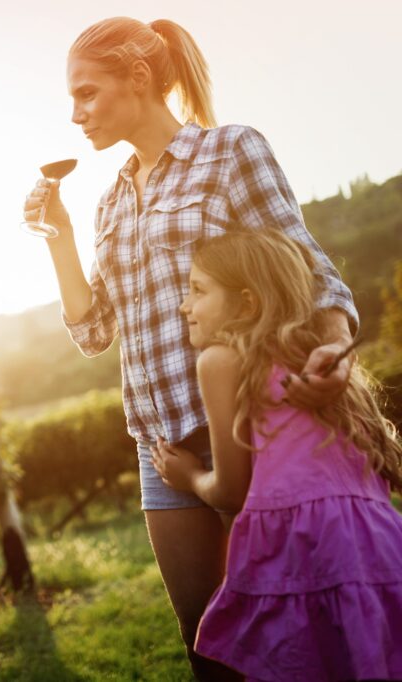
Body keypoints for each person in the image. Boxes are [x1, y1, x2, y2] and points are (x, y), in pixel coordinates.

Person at [21, 16, 359, 679]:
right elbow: (94, 332)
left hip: (255, 425)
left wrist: (337, 348)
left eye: (87, 93)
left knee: (295, 622)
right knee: (205, 638)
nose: (75, 114)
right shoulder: (110, 201)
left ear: (139, 78)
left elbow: (308, 267)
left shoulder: (230, 152)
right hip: (163, 448)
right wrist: (58, 235)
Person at [151, 229, 402, 680]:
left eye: (197, 291)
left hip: (302, 548)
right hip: (380, 544)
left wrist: (188, 476)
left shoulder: (219, 361)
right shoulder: (315, 362)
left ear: (246, 303)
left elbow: (230, 491)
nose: (184, 306)